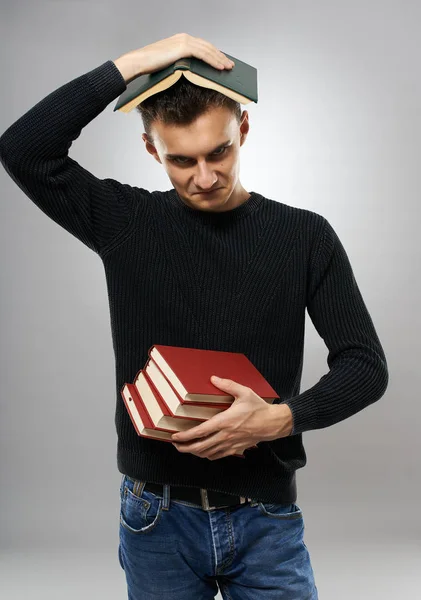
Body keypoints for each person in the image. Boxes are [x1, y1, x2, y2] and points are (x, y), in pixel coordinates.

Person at [0, 32, 388, 600]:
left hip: (265, 519)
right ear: (151, 149)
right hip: (155, 516)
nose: (204, 177)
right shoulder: (125, 222)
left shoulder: (305, 236)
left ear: (244, 132)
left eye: (219, 152)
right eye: (181, 160)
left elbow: (365, 366)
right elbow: (23, 149)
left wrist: (280, 419)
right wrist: (140, 62)